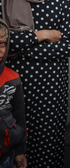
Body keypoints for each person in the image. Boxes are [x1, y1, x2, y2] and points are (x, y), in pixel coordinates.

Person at [0, 0, 70, 167]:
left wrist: (18, 46)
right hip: (8, 85)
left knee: (45, 146)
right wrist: (42, 35)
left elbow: (68, 46)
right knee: (7, 144)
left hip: (50, 89)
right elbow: (2, 43)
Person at [0, 20, 27, 168]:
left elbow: (19, 118)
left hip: (6, 156)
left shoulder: (13, 78)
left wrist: (19, 151)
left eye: (2, 43)